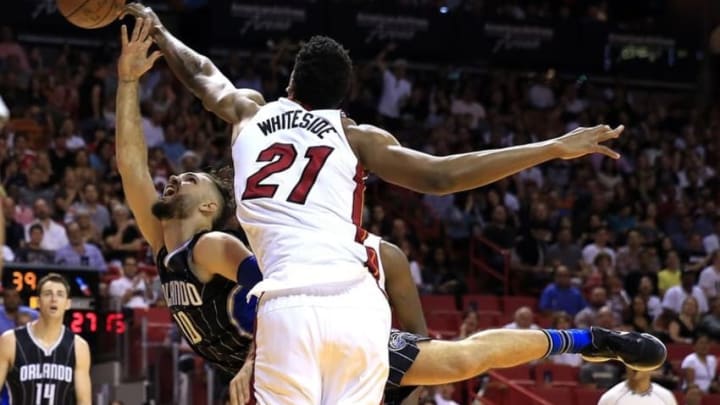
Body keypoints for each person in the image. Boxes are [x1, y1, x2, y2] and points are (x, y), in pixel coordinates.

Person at [120, 6, 665, 405]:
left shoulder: (248, 114)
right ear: (342, 101)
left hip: (288, 310)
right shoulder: (356, 136)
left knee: (452, 354)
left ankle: (583, 340)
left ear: (289, 82)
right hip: (357, 309)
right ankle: (581, 339)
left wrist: (158, 29)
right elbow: (441, 174)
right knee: (457, 355)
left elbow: (203, 76)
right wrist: (551, 147)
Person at [0, 274, 92, 404]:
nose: (54, 299)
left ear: (68, 304)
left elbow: (84, 401)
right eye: (48, 294)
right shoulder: (10, 341)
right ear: (38, 302)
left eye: (60, 294)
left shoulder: (79, 346)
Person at [598, 368, 677, 405]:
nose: (635, 367)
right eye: (631, 361)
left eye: (640, 362)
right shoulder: (610, 397)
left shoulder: (666, 396)